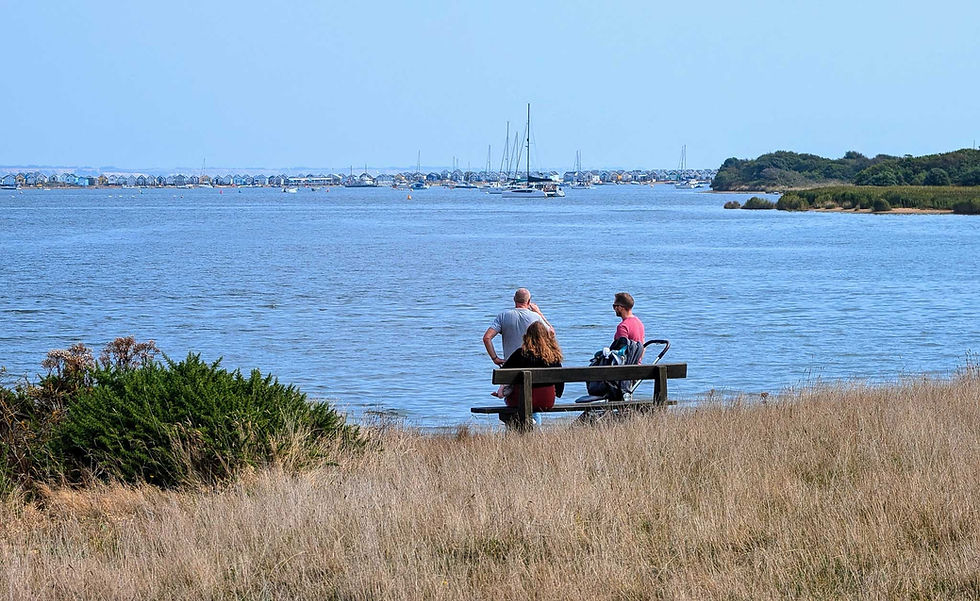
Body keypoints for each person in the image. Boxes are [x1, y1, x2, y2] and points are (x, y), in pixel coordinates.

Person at [498, 321, 564, 411]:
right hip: (547, 400)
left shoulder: (520, 353)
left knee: (509, 411)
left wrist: (501, 391)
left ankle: (526, 423)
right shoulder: (553, 355)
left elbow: (503, 375)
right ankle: (532, 422)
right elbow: (560, 380)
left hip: (521, 400)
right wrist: (557, 393)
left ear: (527, 336)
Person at [483, 288, 553, 367]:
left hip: (511, 366)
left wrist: (495, 358)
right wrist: (539, 313)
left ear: (514, 299)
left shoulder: (503, 316)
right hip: (532, 365)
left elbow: (487, 338)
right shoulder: (536, 316)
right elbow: (551, 333)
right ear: (529, 301)